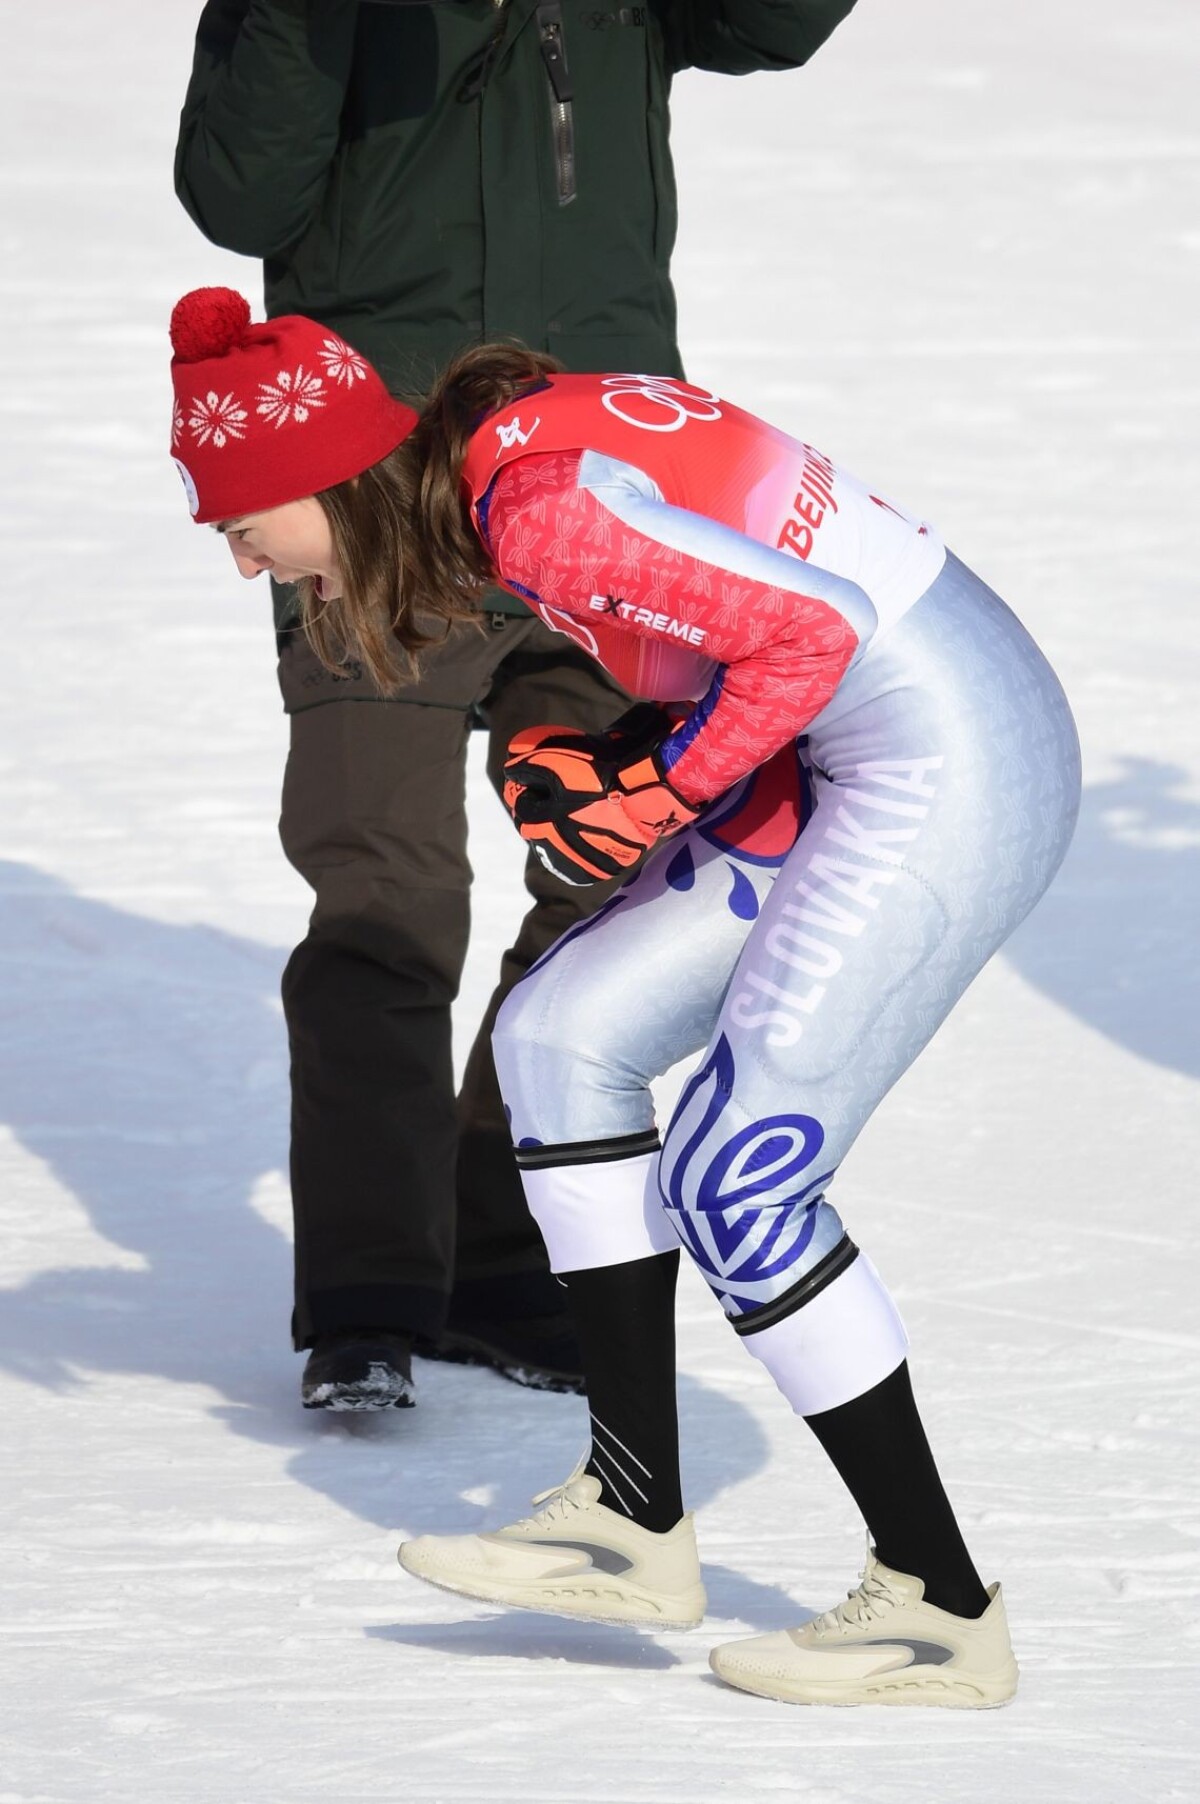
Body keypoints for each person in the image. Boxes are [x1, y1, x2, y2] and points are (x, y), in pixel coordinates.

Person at [167, 291, 1081, 1706]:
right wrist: (617, 756)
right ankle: (630, 1514)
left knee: (739, 1179)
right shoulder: (501, 479)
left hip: (950, 763)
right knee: (556, 1035)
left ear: (330, 479)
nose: (244, 564)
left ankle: (938, 1609)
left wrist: (656, 788)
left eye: (243, 526)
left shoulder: (531, 512)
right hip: (847, 753)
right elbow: (736, 627)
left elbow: (817, 632)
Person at [172, 0, 861, 1409]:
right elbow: (237, 192)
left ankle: (498, 1251)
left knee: (609, 874)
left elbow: (776, 24)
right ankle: (368, 1294)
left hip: (603, 500)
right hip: (370, 517)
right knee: (383, 893)